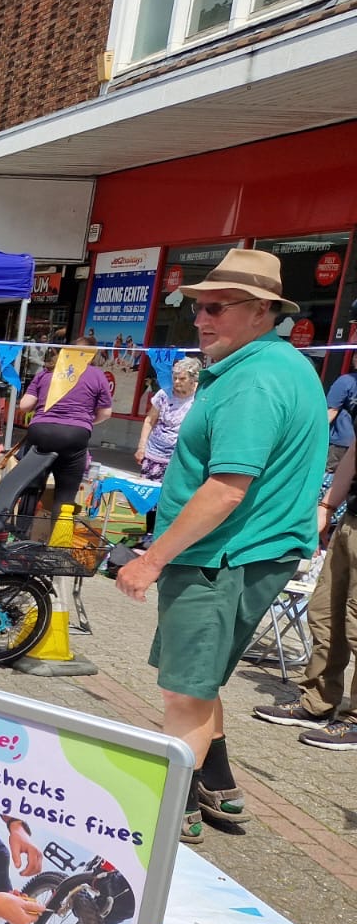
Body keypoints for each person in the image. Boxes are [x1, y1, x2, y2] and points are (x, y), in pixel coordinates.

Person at [116, 248, 327, 843]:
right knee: (201, 676)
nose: (200, 320)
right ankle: (220, 782)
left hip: (223, 554)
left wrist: (151, 560)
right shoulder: (279, 365)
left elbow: (228, 488)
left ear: (262, 311)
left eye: (215, 307)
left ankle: (171, 809)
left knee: (183, 690)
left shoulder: (251, 380)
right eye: (196, 308)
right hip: (245, 552)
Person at [252, 441, 356, 750]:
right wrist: (327, 506)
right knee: (325, 614)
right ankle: (317, 703)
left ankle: (354, 721)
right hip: (351, 521)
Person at [14, 337, 114, 514]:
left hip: (41, 431)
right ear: (91, 355)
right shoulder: (97, 375)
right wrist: (85, 422)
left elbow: (24, 405)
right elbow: (105, 413)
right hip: (74, 435)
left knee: (31, 489)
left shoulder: (46, 372)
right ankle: (57, 540)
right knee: (65, 496)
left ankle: (19, 535)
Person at [134, 356, 201, 533]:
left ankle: (169, 536)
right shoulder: (164, 393)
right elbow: (150, 419)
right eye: (174, 377)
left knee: (174, 498)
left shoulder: (200, 397)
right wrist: (142, 447)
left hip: (179, 456)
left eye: (182, 378)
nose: (177, 382)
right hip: (155, 453)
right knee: (151, 499)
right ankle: (150, 534)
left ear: (194, 379)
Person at [326, 364, 357, 472]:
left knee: (328, 473)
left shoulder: (346, 381)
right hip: (352, 442)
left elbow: (331, 411)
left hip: (339, 441)